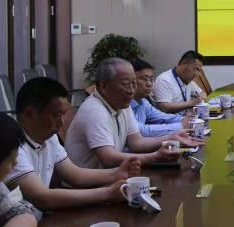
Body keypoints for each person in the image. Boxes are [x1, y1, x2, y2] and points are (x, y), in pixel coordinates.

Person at [7, 77, 142, 211]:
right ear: (29, 113)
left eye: (63, 115)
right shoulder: (10, 146)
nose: (61, 122)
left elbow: (75, 175)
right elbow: (42, 198)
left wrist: (116, 173)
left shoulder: (50, 138)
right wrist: (108, 193)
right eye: (56, 115)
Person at [65, 58, 204, 169]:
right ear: (103, 86)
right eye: (126, 84)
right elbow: (108, 158)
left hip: (111, 175)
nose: (131, 90)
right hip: (88, 185)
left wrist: (172, 137)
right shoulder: (95, 111)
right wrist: (154, 156)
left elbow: (137, 142)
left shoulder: (121, 104)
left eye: (133, 84)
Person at [130, 58, 192, 136]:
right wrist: (180, 125)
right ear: (131, 80)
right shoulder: (124, 105)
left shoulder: (143, 102)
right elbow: (142, 131)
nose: (149, 84)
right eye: (144, 79)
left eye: (151, 79)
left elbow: (162, 117)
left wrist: (185, 119)